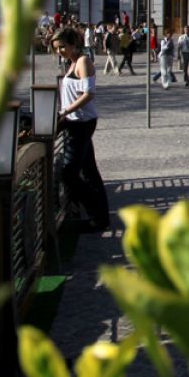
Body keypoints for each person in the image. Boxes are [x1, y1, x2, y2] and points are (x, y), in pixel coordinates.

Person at [52, 27, 110, 231]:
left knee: (69, 173)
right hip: (74, 121)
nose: (59, 51)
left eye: (62, 47)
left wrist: (65, 111)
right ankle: (100, 217)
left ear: (73, 44)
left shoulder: (83, 62)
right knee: (89, 171)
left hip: (81, 122)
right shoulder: (72, 63)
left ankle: (95, 214)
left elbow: (89, 93)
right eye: (56, 48)